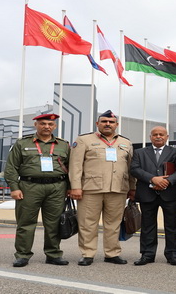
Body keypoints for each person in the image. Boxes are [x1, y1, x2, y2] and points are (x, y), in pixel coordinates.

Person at [69, 110, 136, 267]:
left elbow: (130, 168)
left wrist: (132, 188)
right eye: (104, 121)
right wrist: (75, 187)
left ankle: (112, 253)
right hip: (90, 189)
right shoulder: (84, 140)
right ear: (97, 124)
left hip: (118, 189)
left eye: (111, 122)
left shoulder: (126, 143)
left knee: (113, 223)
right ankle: (87, 253)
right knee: (87, 223)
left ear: (116, 125)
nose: (108, 124)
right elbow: (75, 165)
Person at [4, 113, 70, 267]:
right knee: (26, 222)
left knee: (54, 223)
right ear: (36, 125)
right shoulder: (22, 143)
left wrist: (71, 188)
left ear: (55, 126)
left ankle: (53, 254)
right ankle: (22, 255)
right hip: (29, 187)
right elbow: (11, 167)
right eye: (43, 124)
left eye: (50, 124)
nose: (47, 127)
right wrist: (14, 188)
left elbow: (72, 168)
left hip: (57, 188)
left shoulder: (63, 145)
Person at [130, 126, 176, 266]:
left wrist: (166, 181)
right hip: (147, 193)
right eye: (155, 134)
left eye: (161, 134)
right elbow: (135, 169)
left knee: (172, 225)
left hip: (171, 193)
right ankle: (147, 254)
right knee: (147, 225)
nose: (158, 136)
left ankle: (172, 254)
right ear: (150, 137)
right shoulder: (139, 152)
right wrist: (153, 179)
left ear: (167, 137)